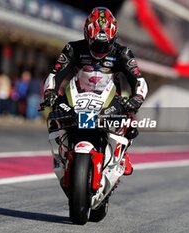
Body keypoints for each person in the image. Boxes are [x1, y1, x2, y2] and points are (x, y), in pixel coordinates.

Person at [43, 7, 148, 175]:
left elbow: (138, 79)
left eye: (105, 44)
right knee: (54, 117)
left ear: (113, 37)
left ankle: (122, 155)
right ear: (87, 35)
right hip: (77, 95)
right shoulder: (73, 49)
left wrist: (137, 98)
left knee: (130, 123)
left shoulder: (123, 53)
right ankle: (61, 154)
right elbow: (56, 74)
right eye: (97, 44)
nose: (100, 50)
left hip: (110, 98)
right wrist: (50, 93)